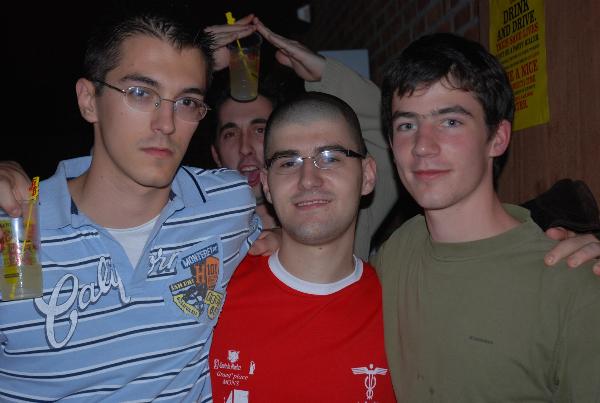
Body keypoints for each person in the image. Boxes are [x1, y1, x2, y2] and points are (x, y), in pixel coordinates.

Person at [0, 9, 262, 402]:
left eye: (187, 101)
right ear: (89, 101)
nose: (166, 123)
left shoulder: (226, 206)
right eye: (141, 93)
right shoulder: (17, 225)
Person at [373, 32, 600, 401]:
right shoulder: (395, 255)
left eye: (450, 122)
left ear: (497, 138)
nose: (422, 146)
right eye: (407, 125)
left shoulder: (573, 282)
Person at [209, 91, 396, 402]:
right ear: (267, 184)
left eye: (330, 158)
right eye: (288, 162)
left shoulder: (399, 313)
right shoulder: (212, 297)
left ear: (367, 175)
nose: (308, 179)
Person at [205, 16, 400, 259]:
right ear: (215, 154)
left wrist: (323, 74)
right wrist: (194, 62)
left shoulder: (338, 217)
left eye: (260, 130)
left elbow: (389, 135)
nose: (244, 148)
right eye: (230, 134)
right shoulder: (197, 236)